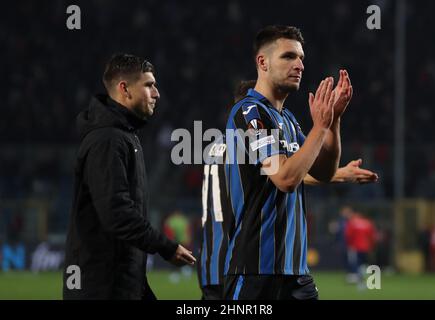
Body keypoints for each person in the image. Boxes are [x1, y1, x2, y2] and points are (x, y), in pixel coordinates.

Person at [198, 80, 376, 300]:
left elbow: (290, 170)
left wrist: (336, 171)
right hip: (232, 259)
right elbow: (284, 174)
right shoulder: (242, 143)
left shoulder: (234, 146)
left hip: (246, 262)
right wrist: (337, 174)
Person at [222, 25, 353, 300]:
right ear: (263, 62)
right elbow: (285, 179)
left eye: (301, 58)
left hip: (295, 271)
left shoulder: (289, 121)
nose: (300, 65)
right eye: (289, 56)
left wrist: (333, 122)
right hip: (255, 270)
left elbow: (324, 171)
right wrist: (319, 128)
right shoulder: (250, 113)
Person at [63, 53, 196, 300]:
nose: (156, 93)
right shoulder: (108, 140)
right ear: (124, 89)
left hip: (124, 280)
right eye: (149, 85)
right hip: (103, 286)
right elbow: (117, 214)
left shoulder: (125, 136)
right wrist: (166, 247)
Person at [344, 208, 377, 287]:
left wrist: (349, 245)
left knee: (355, 262)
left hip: (355, 247)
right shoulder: (368, 223)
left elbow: (348, 235)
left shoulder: (352, 223)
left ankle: (357, 277)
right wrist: (372, 246)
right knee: (363, 263)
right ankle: (363, 278)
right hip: (366, 247)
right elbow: (372, 236)